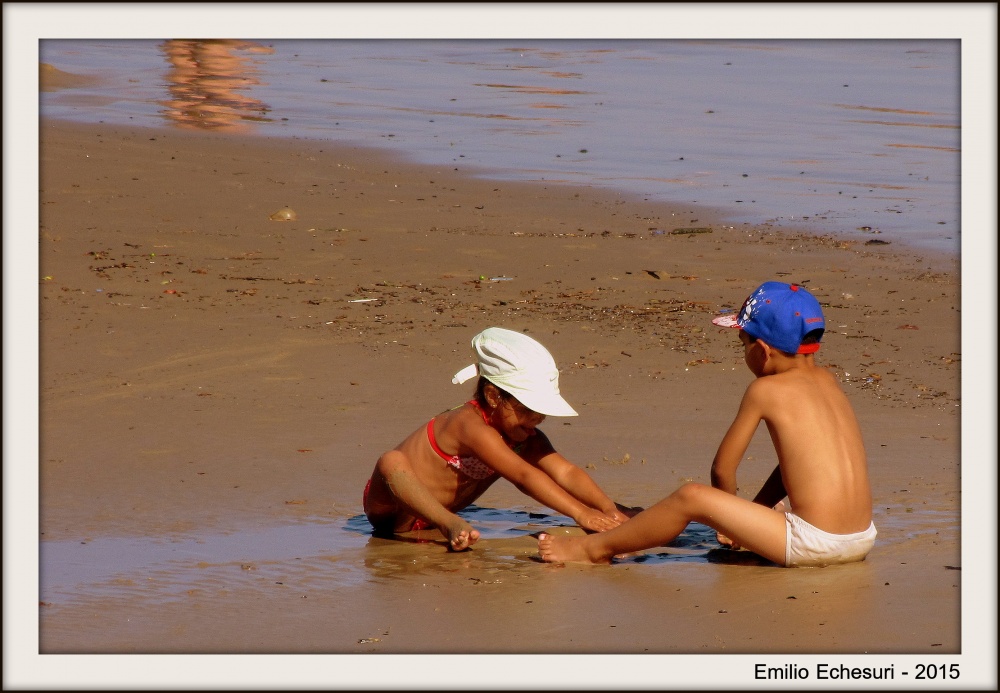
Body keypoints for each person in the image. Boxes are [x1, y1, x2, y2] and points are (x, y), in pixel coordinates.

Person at [537, 281, 877, 567]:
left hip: (815, 543)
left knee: (691, 497)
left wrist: (728, 523)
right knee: (769, 506)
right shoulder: (828, 382)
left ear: (762, 350)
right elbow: (798, 465)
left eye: (741, 344)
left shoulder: (765, 390)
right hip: (861, 539)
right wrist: (752, 511)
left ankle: (592, 550)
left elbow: (722, 469)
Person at [363, 326, 636, 551]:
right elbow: (524, 477)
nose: (536, 419)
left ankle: (449, 524)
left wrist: (606, 508)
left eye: (541, 413)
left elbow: (566, 472)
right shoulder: (469, 426)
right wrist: (581, 514)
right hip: (390, 507)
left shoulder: (523, 436)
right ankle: (450, 524)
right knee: (391, 460)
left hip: (428, 520)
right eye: (527, 410)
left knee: (614, 511)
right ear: (493, 396)